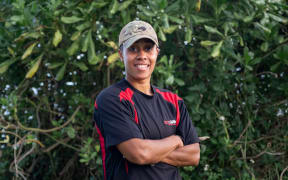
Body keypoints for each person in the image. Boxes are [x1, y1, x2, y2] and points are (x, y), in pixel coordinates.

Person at [94, 20, 200, 180]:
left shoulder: (173, 101)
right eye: (133, 49)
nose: (142, 56)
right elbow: (139, 153)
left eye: (148, 48)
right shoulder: (111, 99)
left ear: (157, 52)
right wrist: (175, 140)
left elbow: (193, 155)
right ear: (121, 54)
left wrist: (151, 151)